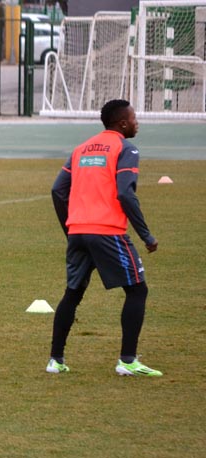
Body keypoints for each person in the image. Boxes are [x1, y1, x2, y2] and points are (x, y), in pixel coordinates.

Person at [46, 99, 162, 377]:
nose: (137, 123)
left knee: (73, 293)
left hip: (78, 231)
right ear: (122, 123)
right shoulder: (126, 148)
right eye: (134, 119)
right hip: (107, 231)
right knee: (137, 290)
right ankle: (128, 361)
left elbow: (57, 190)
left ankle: (55, 360)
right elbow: (125, 193)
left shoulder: (81, 148)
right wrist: (146, 234)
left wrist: (72, 229)